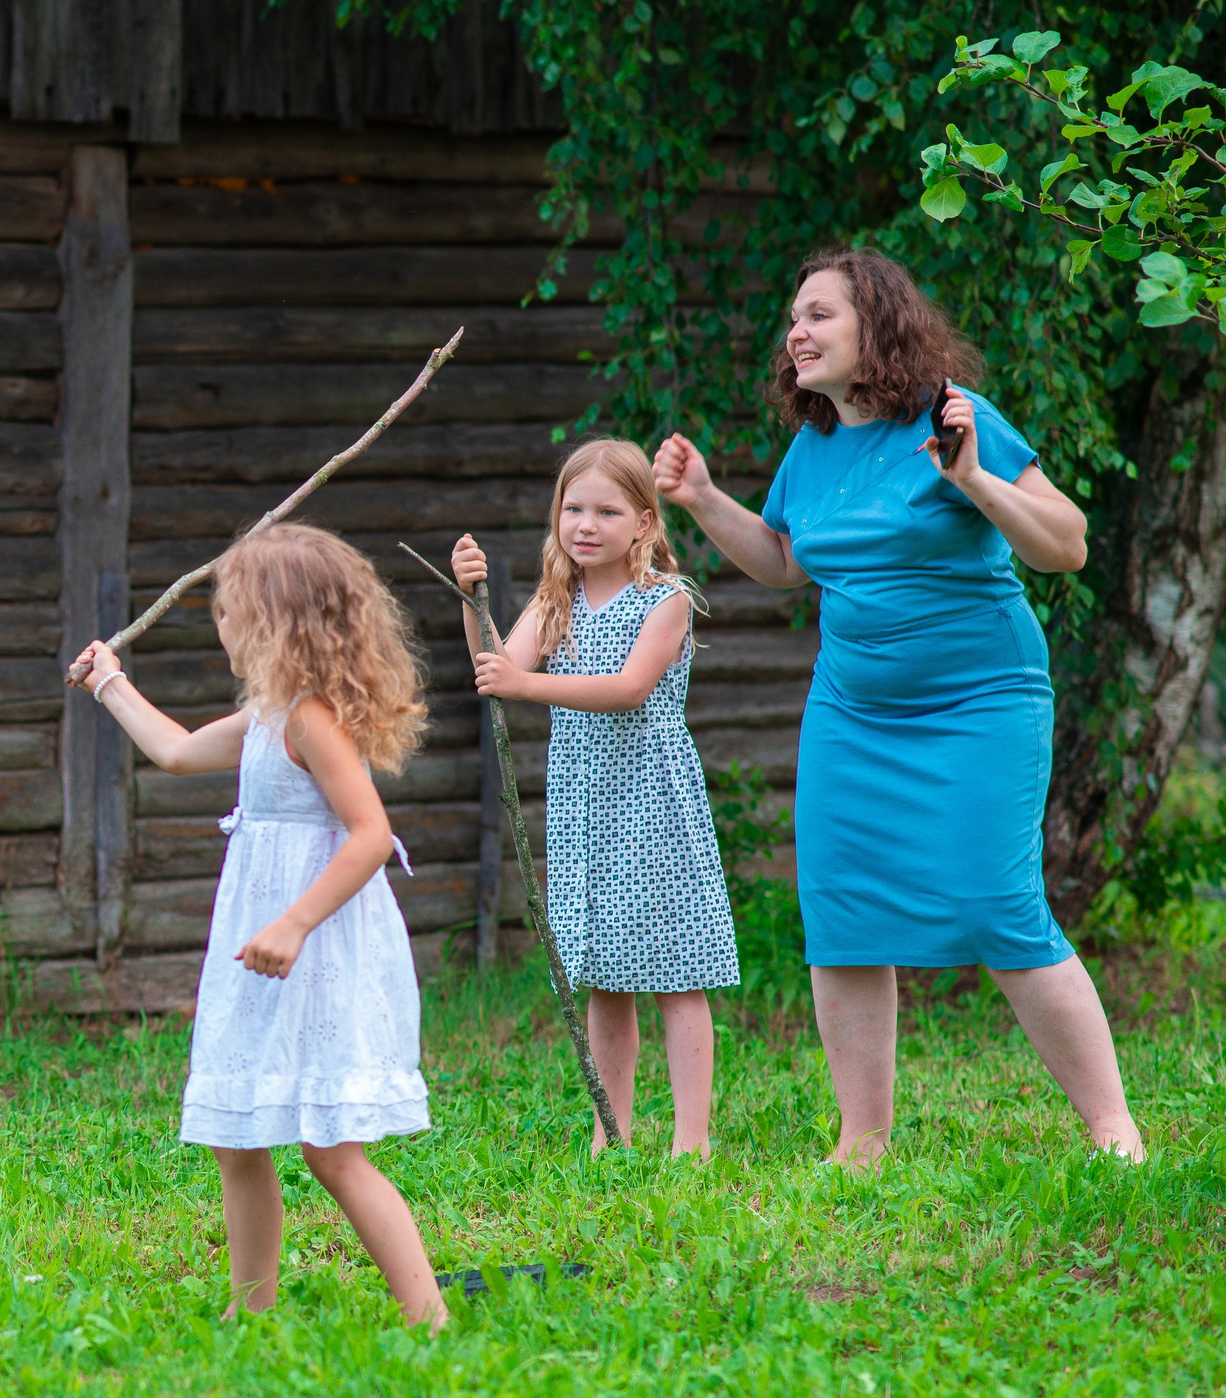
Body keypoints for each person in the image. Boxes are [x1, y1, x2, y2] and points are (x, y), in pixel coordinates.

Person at [653, 246, 1145, 1165]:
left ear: (875, 324)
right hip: (853, 712)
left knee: (1000, 904)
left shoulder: (955, 416)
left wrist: (972, 481)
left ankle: (1112, 1124)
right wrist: (704, 497)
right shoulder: (817, 443)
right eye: (793, 318)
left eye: (819, 315)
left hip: (979, 701)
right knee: (841, 914)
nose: (796, 332)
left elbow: (1067, 545)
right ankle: (862, 1141)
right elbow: (788, 562)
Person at [69, 524, 447, 1328]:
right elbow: (172, 751)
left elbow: (371, 836)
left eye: (230, 608)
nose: (220, 622)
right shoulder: (270, 713)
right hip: (263, 942)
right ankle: (252, 1312)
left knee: (330, 1149)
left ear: (278, 619)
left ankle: (429, 1317)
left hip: (313, 941)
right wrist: (109, 681)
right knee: (237, 1136)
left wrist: (295, 923)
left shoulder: (312, 719)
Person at [450, 439, 739, 1158]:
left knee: (675, 970)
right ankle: (612, 1133)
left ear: (644, 522)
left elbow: (628, 689)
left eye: (606, 511)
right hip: (586, 807)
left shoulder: (666, 601)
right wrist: (470, 596)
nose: (585, 524)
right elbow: (498, 665)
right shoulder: (558, 602)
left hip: (652, 801)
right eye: (572, 508)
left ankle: (691, 1140)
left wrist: (527, 687)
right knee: (605, 974)